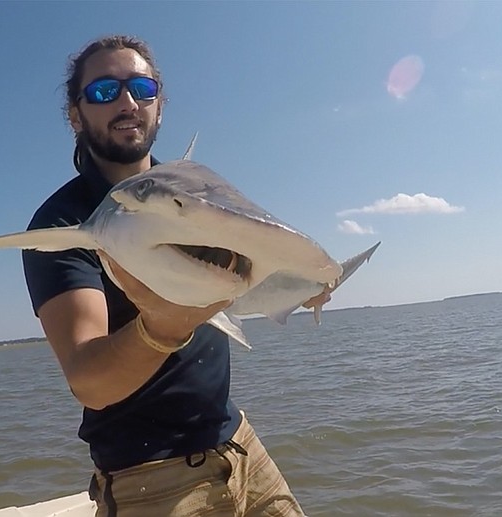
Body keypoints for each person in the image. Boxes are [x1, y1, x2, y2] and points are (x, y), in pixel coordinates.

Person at [22, 35, 321, 517]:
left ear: (159, 105)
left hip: (240, 443)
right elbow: (89, 382)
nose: (126, 101)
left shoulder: (204, 192)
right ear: (75, 115)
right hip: (150, 478)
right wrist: (163, 325)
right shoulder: (63, 225)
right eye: (103, 91)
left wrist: (299, 281)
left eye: (142, 87)